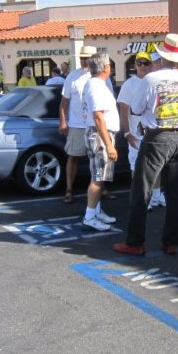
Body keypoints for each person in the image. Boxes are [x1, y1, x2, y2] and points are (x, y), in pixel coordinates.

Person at [114, 33, 178, 256]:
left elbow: (137, 109)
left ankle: (135, 242)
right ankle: (171, 241)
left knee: (141, 190)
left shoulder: (151, 79)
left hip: (156, 138)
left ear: (162, 56)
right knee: (174, 193)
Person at [117, 52, 166, 209]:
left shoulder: (154, 81)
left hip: (154, 131)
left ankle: (157, 196)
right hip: (136, 134)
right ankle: (141, 198)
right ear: (135, 65)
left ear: (151, 65)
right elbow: (123, 111)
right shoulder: (129, 85)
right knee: (137, 167)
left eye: (146, 63)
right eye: (140, 63)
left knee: (156, 165)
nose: (143, 66)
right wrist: (126, 133)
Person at [80, 53, 120, 231]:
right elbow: (98, 116)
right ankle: (89, 215)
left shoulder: (96, 84)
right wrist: (109, 144)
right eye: (109, 64)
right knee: (98, 177)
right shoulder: (96, 86)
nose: (110, 67)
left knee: (99, 175)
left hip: (98, 134)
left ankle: (95, 210)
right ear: (105, 68)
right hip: (99, 135)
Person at [59, 45, 97, 203]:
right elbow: (63, 103)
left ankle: (100, 189)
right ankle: (69, 189)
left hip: (95, 124)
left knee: (97, 159)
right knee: (73, 156)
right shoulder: (72, 77)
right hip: (76, 124)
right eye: (82, 58)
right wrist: (63, 121)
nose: (84, 61)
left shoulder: (100, 77)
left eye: (87, 58)